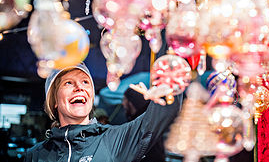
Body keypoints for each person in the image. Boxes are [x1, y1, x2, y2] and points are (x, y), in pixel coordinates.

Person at [24, 62, 183, 162]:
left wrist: (168, 88)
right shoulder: (35, 155)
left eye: (85, 82)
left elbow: (164, 113)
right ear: (54, 101)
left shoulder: (114, 140)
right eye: (68, 83)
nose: (79, 87)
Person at [122, 87, 166, 162]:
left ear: (131, 102)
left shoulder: (143, 124)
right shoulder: (146, 119)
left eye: (124, 99)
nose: (123, 103)